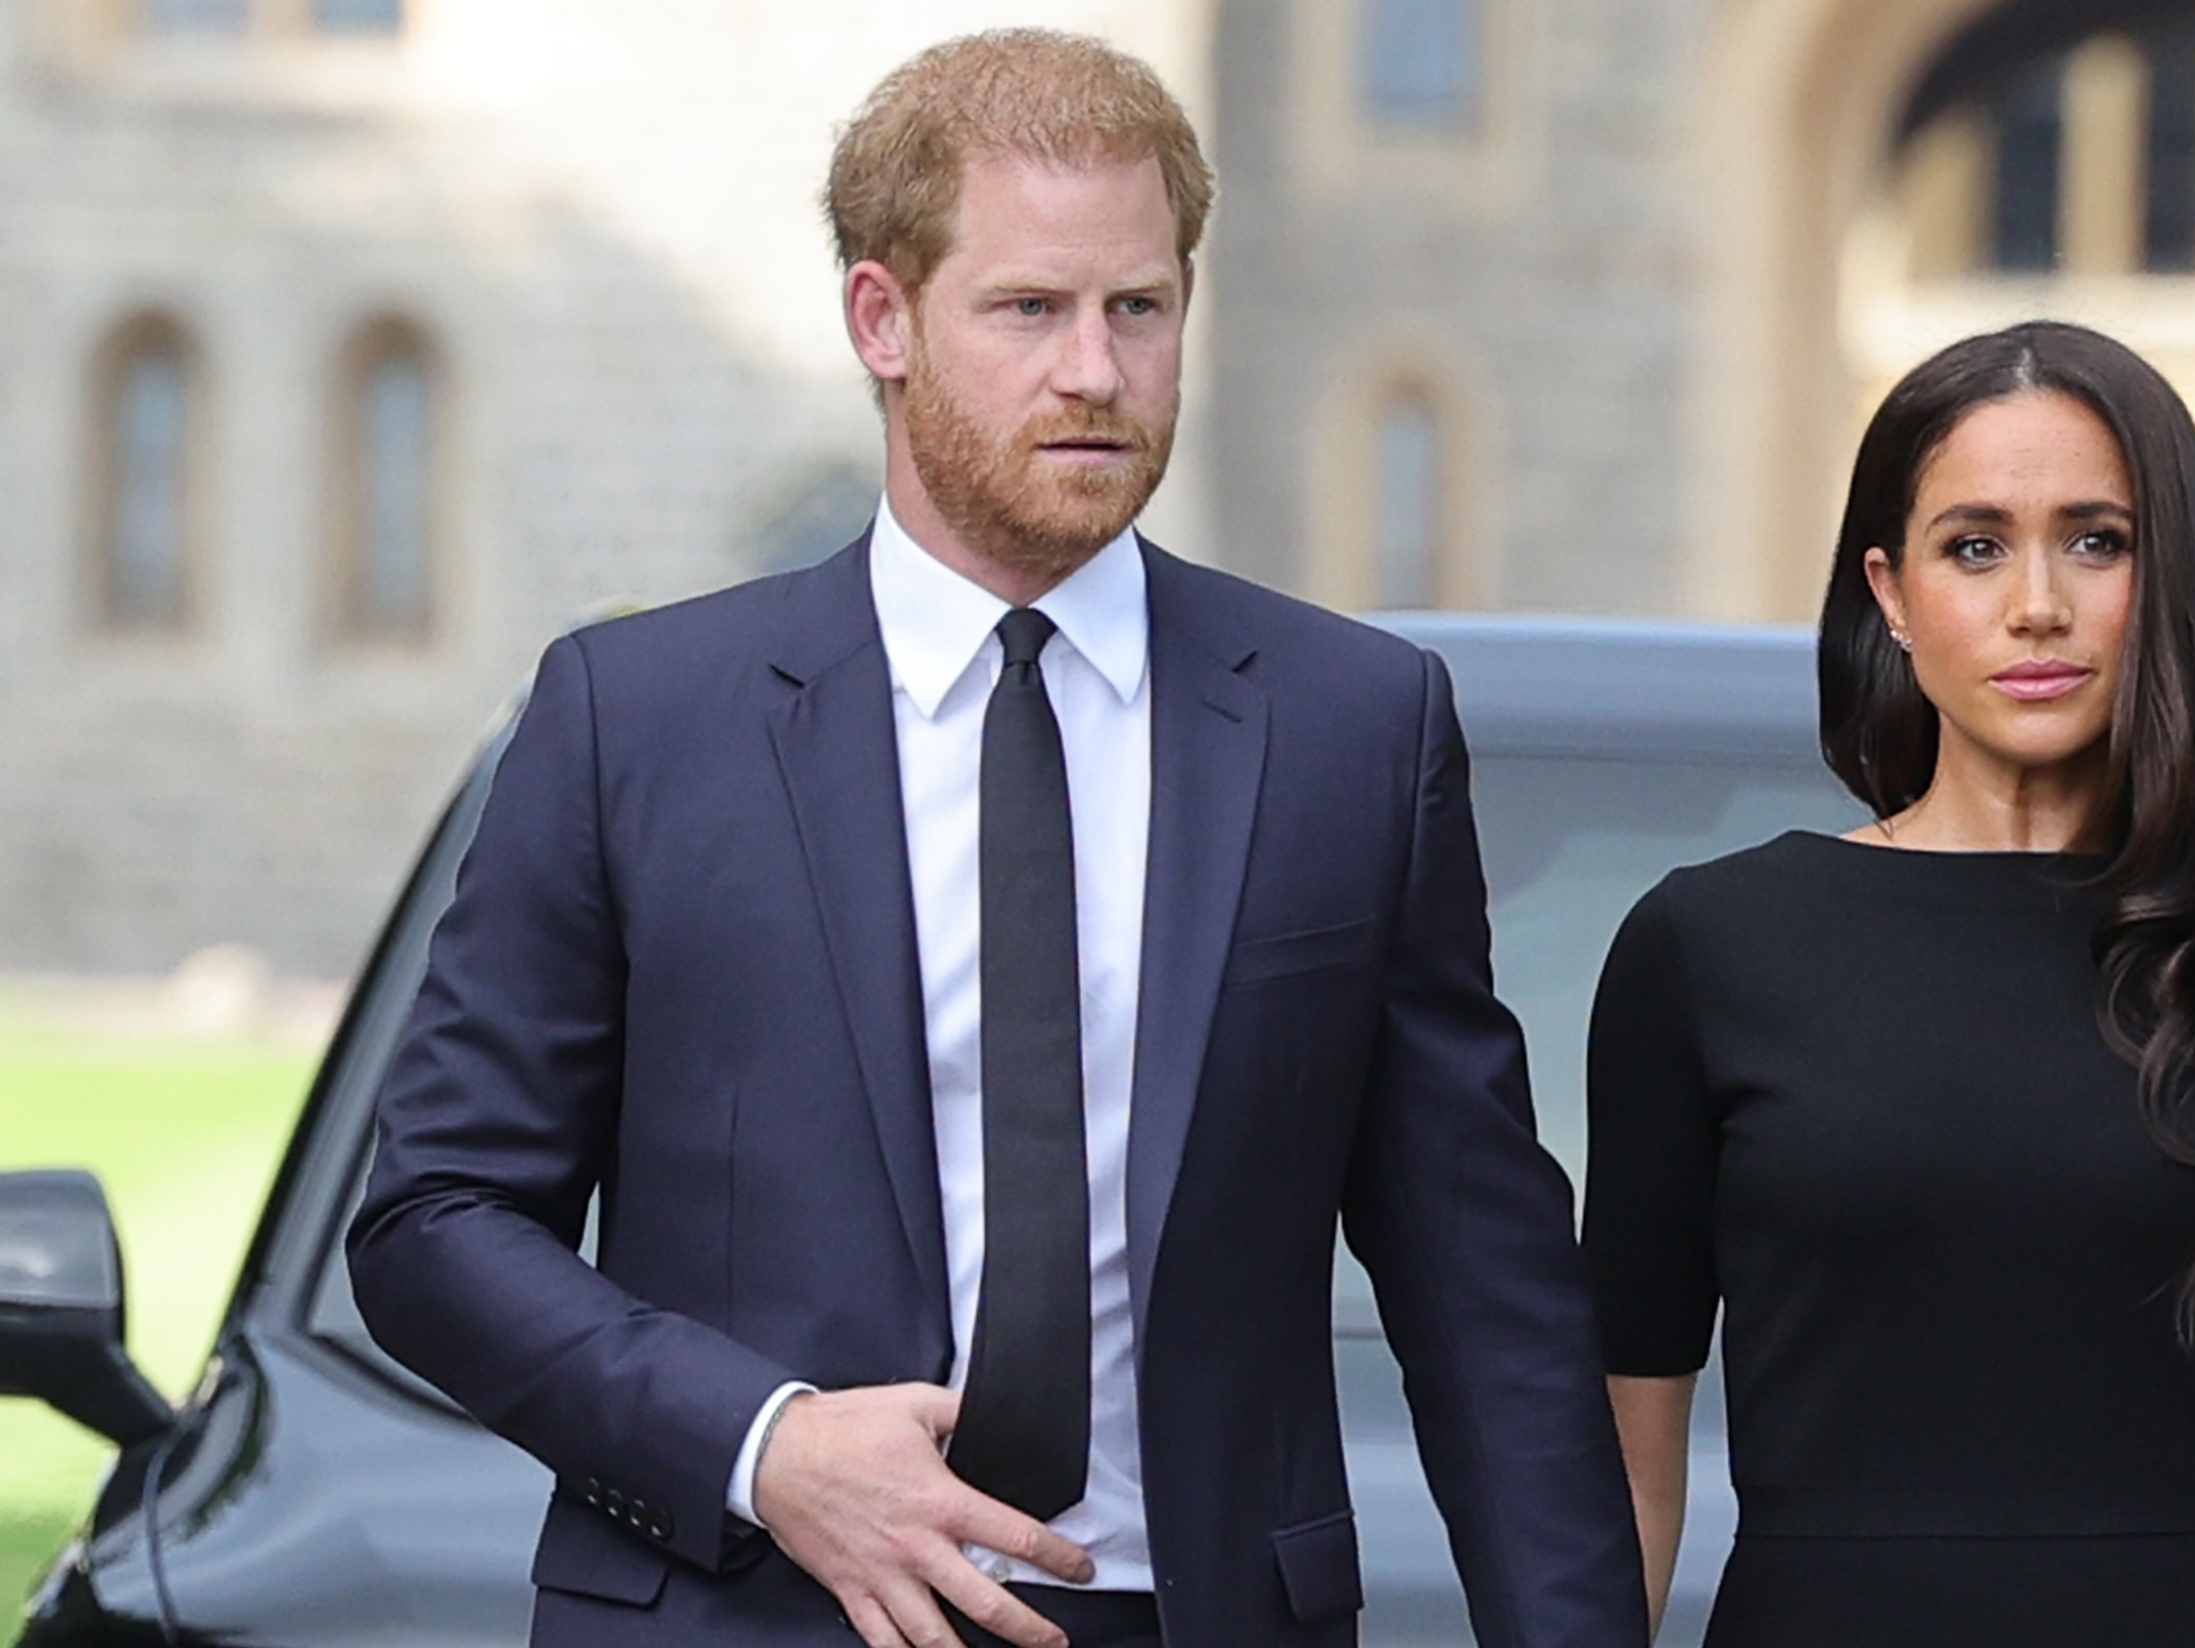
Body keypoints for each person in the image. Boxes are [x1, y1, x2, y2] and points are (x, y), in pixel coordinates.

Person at [346, 31, 1647, 1648]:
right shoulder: (636, 718)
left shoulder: (1349, 727)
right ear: (883, 320)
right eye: (1029, 309)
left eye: (1139, 309)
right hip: (749, 1610)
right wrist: (761, 1447)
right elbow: (438, 1222)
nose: (1094, 373)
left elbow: (1484, 1289)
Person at [1585, 321, 2195, 1647]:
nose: (2037, 605)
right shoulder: (1710, 949)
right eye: (1975, 545)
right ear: (1890, 592)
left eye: (2096, 541)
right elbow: (1621, 1465)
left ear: (2168, 576)